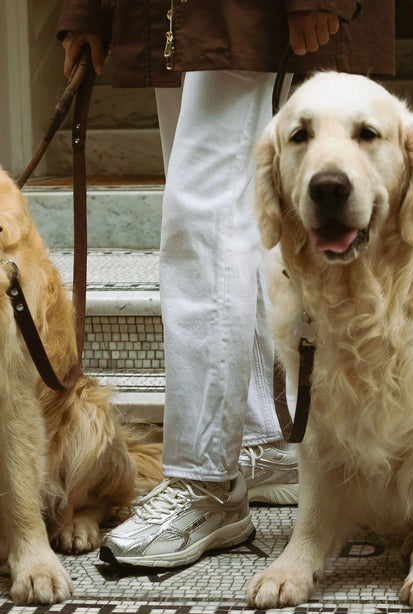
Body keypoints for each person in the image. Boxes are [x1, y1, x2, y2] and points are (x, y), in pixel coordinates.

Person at [56, 0, 394, 569]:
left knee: (203, 216)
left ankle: (205, 481)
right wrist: (88, 9)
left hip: (242, 10)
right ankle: (257, 439)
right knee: (234, 208)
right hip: (176, 12)